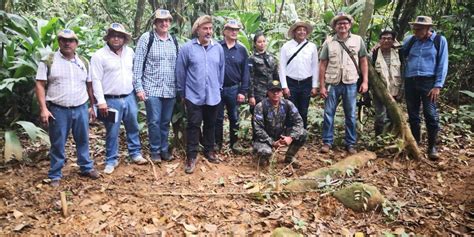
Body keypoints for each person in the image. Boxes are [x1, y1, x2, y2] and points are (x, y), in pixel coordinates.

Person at [35, 29, 99, 187]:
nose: (67, 43)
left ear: (76, 43)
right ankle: (55, 173)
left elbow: (89, 85)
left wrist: (92, 106)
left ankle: (86, 167)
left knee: (83, 139)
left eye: (70, 40)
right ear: (59, 42)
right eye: (63, 40)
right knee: (58, 142)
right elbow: (40, 84)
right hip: (58, 109)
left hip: (80, 107)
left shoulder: (83, 62)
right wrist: (44, 108)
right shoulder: (48, 60)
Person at [90, 23, 146, 174]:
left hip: (129, 96)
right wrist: (100, 102)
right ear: (108, 37)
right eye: (113, 35)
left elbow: (135, 73)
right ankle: (111, 159)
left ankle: (135, 153)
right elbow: (95, 80)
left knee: (133, 126)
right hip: (110, 99)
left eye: (119, 36)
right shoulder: (99, 56)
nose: (116, 38)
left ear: (124, 38)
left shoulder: (130, 53)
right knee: (112, 131)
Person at [176, 15, 225, 174]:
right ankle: (191, 156)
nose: (208, 31)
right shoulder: (187, 48)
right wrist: (182, 93)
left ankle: (209, 151)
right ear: (197, 30)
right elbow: (180, 72)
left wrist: (219, 88)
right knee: (193, 126)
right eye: (205, 28)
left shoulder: (217, 48)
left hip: (213, 94)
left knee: (211, 124)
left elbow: (221, 70)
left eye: (210, 28)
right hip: (193, 95)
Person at [319, 12, 369, 155]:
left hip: (351, 82)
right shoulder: (329, 42)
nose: (342, 25)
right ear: (335, 26)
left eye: (345, 23)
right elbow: (322, 64)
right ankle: (327, 142)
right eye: (339, 23)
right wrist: (322, 85)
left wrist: (365, 81)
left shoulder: (358, 40)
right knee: (329, 113)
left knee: (350, 114)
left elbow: (363, 61)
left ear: (350, 25)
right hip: (333, 82)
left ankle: (350, 143)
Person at [133, 9, 178, 163]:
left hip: (170, 89)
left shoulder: (173, 40)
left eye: (166, 21)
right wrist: (139, 87)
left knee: (165, 122)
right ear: (155, 23)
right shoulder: (147, 38)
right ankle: (155, 151)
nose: (164, 23)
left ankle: (164, 150)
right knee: (154, 121)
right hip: (152, 88)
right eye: (160, 21)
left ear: (170, 23)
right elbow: (138, 63)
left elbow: (176, 66)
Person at [403, 16, 448, 160]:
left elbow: (443, 63)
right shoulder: (410, 41)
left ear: (428, 28)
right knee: (413, 115)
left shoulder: (439, 40)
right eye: (415, 28)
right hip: (411, 81)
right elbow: (398, 52)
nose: (416, 31)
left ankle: (432, 147)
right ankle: (415, 144)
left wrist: (438, 85)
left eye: (420, 29)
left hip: (429, 82)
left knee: (430, 115)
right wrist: (379, 47)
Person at [253, 80, 307, 168]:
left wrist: (290, 137)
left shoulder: (288, 104)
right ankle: (262, 157)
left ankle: (289, 157)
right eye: (272, 91)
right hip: (265, 138)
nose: (275, 94)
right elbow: (258, 129)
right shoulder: (261, 106)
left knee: (303, 133)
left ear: (282, 92)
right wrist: (272, 142)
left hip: (281, 134)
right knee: (265, 152)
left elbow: (299, 122)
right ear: (268, 92)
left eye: (278, 91)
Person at [215, 19, 250, 152]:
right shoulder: (217, 47)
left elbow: (245, 72)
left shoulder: (241, 50)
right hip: (218, 89)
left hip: (234, 89)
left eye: (236, 30)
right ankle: (217, 143)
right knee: (217, 118)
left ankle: (234, 144)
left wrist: (243, 91)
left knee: (234, 117)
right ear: (225, 31)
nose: (234, 32)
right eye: (231, 29)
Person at [279, 20, 319, 128]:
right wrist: (284, 86)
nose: (302, 32)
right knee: (291, 109)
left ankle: (302, 134)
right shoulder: (286, 46)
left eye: (304, 30)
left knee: (303, 110)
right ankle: (290, 134)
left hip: (306, 82)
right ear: (294, 32)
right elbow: (282, 67)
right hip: (291, 82)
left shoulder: (312, 47)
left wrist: (315, 85)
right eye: (299, 30)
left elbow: (315, 66)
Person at [371, 29, 403, 136]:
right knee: (380, 117)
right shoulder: (374, 53)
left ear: (393, 41)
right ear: (379, 40)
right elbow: (368, 72)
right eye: (384, 38)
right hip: (379, 91)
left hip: (395, 89)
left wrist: (401, 91)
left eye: (389, 39)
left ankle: (390, 139)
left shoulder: (399, 53)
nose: (386, 41)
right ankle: (378, 138)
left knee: (393, 116)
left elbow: (404, 71)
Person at [248, 32, 279, 112]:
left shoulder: (271, 57)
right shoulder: (252, 59)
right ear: (255, 44)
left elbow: (275, 75)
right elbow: (250, 79)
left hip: (271, 92)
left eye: (264, 41)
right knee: (258, 116)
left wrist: (278, 90)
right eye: (259, 42)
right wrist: (251, 96)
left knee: (271, 116)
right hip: (258, 93)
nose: (262, 44)